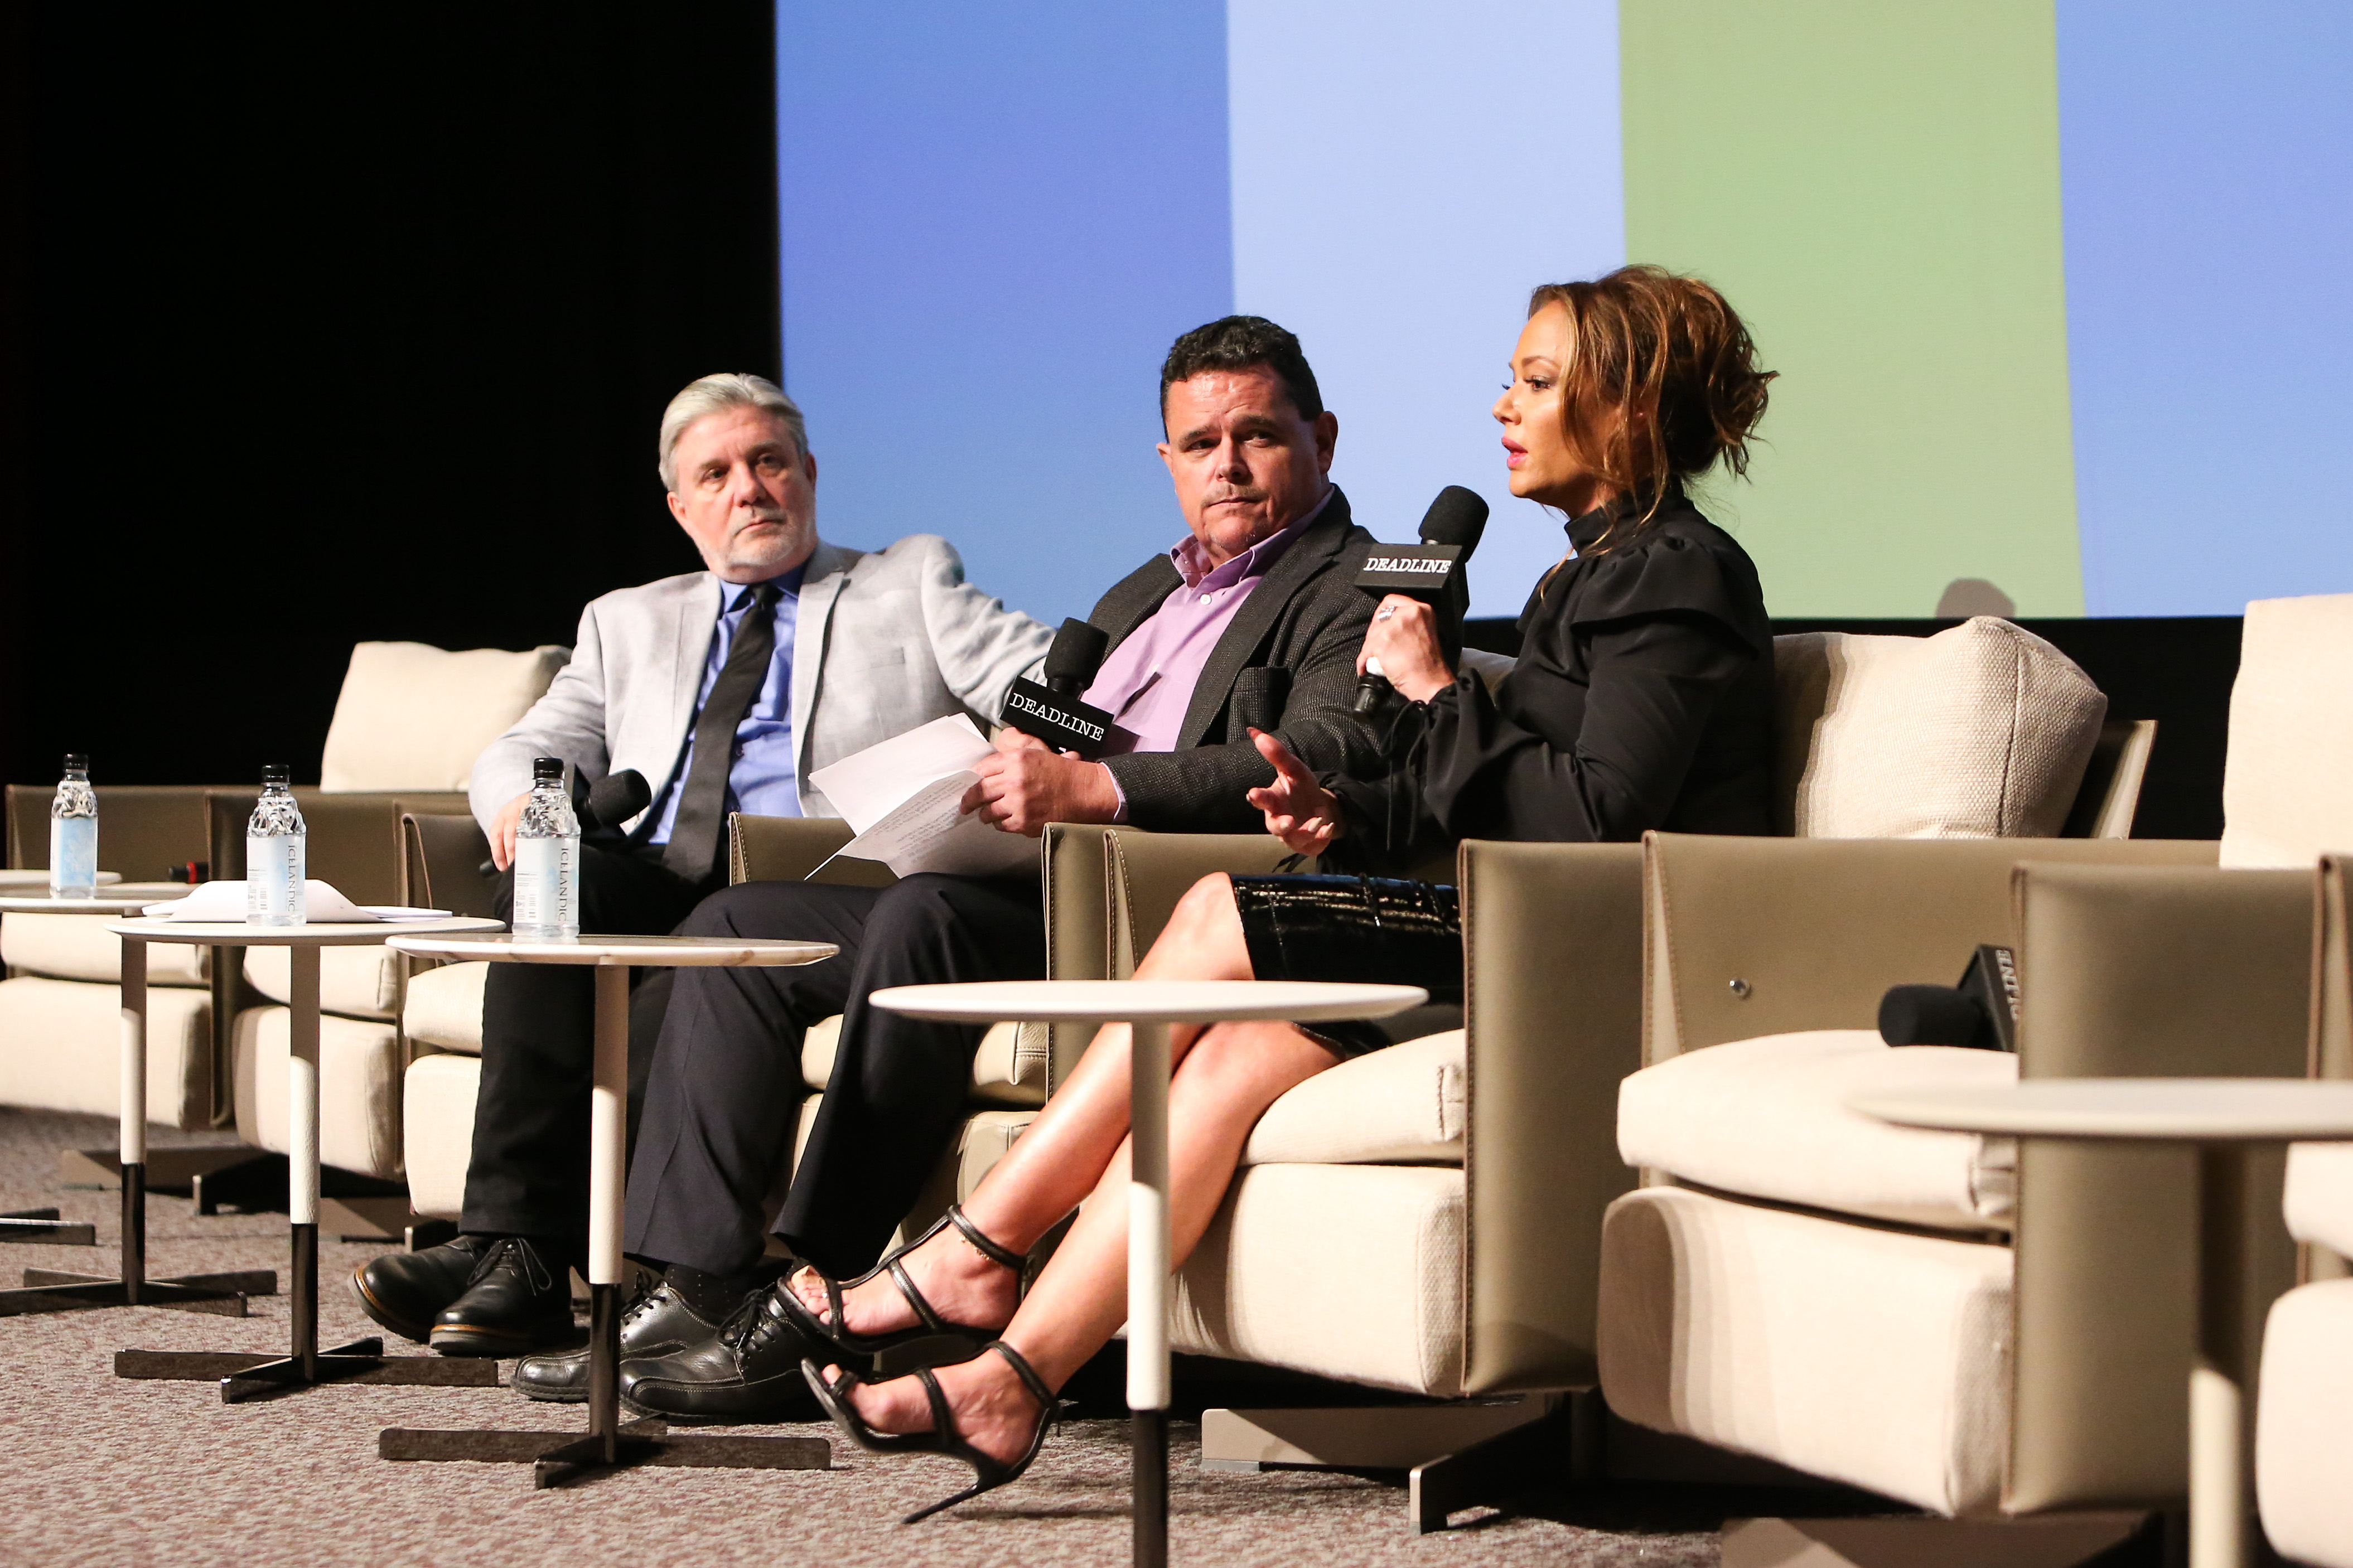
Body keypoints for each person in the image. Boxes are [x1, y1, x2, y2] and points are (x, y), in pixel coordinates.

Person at [793, 265, 1780, 1521]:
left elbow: (1592, 821)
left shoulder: (1672, 571)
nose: (1501, 408)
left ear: (1629, 409)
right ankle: (1013, 1377)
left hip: (1592, 949)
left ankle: (978, 1252)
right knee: (1219, 1064)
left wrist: (1437, 695)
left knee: (1213, 907)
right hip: (1514, 924)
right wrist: (1344, 808)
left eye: (1536, 382)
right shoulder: (1587, 574)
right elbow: (1498, 791)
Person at [539, 316, 1389, 1415]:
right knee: (735, 930)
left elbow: (1315, 755)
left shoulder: (1356, 580)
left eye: (1257, 436)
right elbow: (1053, 707)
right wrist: (1013, 755)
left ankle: (817, 1288)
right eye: (1197, 443)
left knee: (925, 915)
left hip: (1154, 901)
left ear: (1320, 436)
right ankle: (701, 1283)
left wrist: (1094, 787)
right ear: (1166, 459)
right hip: (1027, 872)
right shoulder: (1146, 589)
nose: (1225, 466)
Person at [350, 372, 1054, 1355]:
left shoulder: (908, 583)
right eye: (716, 474)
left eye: (769, 462)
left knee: (659, 985)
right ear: (682, 507)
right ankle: (512, 1248)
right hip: (664, 871)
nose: (749, 489)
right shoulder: (628, 620)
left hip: (814, 883)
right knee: (560, 885)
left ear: (808, 473)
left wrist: (1082, 732)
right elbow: (527, 743)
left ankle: (523, 1255)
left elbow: (1049, 680)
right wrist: (518, 802)